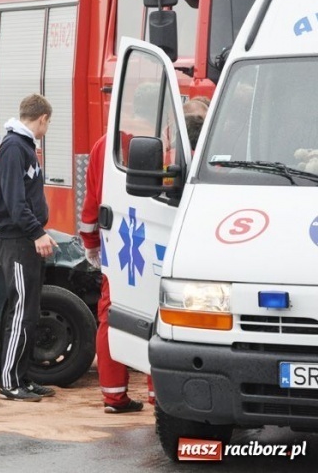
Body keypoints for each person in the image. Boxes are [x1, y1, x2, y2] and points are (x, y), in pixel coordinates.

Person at [80, 98, 208, 413]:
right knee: (161, 318)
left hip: (122, 244)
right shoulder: (181, 146)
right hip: (167, 243)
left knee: (112, 315)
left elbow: (93, 200)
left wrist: (90, 241)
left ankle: (114, 395)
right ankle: (158, 396)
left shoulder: (105, 146)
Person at [0, 94, 59, 401]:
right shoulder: (14, 148)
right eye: (48, 123)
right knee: (20, 312)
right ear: (42, 118)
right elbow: (16, 202)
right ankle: (9, 381)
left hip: (26, 240)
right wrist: (36, 233)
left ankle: (23, 375)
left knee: (29, 312)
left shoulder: (25, 146)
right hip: (17, 241)